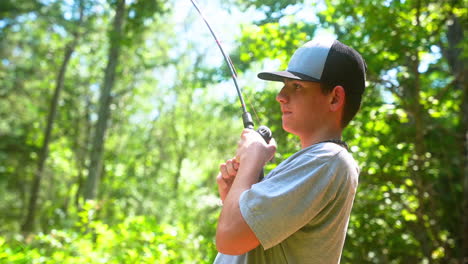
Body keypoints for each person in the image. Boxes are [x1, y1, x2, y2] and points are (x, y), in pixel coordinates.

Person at [213, 36, 367, 264]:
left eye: (297, 86)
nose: (281, 96)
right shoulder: (314, 163)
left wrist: (251, 160)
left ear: (335, 98)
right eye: (284, 86)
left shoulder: (328, 160)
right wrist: (237, 194)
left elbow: (229, 239)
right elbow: (244, 240)